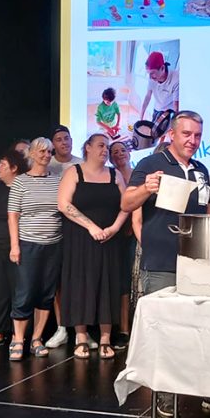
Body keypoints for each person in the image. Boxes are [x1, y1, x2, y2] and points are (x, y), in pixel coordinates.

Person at [121, 111, 210, 418]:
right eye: (187, 134)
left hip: (199, 263)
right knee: (164, 332)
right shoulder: (151, 165)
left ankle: (209, 394)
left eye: (198, 135)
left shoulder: (202, 170)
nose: (193, 140)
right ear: (172, 135)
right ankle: (164, 394)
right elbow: (126, 203)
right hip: (162, 262)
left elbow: (208, 208)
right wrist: (146, 189)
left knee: (206, 330)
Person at [59, 134, 129, 360]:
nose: (105, 150)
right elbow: (63, 204)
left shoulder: (114, 174)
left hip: (110, 238)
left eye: (107, 147)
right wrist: (90, 227)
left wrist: (115, 228)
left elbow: (127, 205)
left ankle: (105, 337)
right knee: (81, 283)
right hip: (80, 237)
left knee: (108, 283)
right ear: (87, 148)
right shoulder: (73, 172)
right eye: (100, 146)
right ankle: (81, 337)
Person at [7, 138, 63, 361]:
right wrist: (15, 246)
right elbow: (13, 216)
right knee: (25, 291)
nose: (46, 155)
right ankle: (18, 339)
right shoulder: (20, 182)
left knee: (46, 293)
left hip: (54, 244)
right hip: (28, 243)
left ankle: (36, 339)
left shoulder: (58, 180)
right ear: (31, 153)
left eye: (49, 151)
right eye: (42, 151)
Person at [44, 125, 87, 350]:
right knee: (58, 281)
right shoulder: (46, 165)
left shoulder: (81, 164)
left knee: (80, 279)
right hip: (52, 228)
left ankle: (83, 330)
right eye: (59, 139)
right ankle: (61, 328)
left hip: (77, 227)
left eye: (67, 138)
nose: (64, 142)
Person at [0, 150, 29, 350]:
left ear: (14, 168)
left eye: (2, 164)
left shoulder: (24, 187)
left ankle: (18, 334)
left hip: (18, 247)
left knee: (18, 291)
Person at [109, 141, 135, 349]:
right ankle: (122, 328)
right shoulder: (109, 178)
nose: (119, 154)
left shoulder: (140, 174)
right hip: (116, 236)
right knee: (121, 283)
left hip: (138, 235)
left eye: (122, 150)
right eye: (114, 152)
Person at [140, 51, 179, 128]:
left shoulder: (176, 79)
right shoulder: (151, 78)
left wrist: (175, 124)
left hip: (168, 111)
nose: (150, 77)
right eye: (149, 74)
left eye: (152, 73)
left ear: (162, 68)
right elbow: (148, 96)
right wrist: (141, 116)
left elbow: (176, 105)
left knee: (163, 130)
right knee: (154, 129)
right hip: (157, 107)